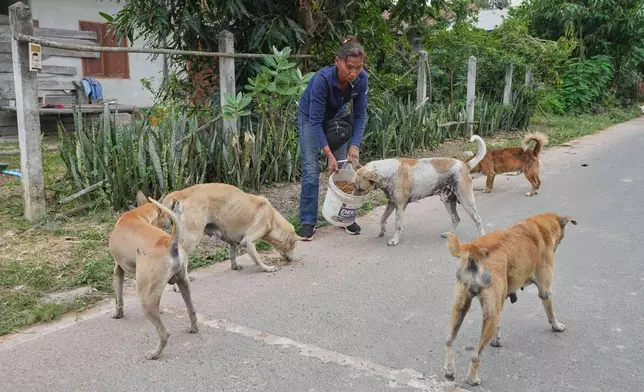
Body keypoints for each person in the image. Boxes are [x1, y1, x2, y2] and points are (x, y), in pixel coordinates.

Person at [297, 36, 369, 241]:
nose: (354, 73)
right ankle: (308, 221)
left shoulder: (361, 80)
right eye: (349, 67)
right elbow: (315, 120)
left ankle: (343, 217)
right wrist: (328, 153)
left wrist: (354, 145)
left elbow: (360, 114)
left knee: (344, 170)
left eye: (359, 67)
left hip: (336, 115)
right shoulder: (322, 80)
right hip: (310, 117)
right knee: (311, 169)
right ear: (338, 61)